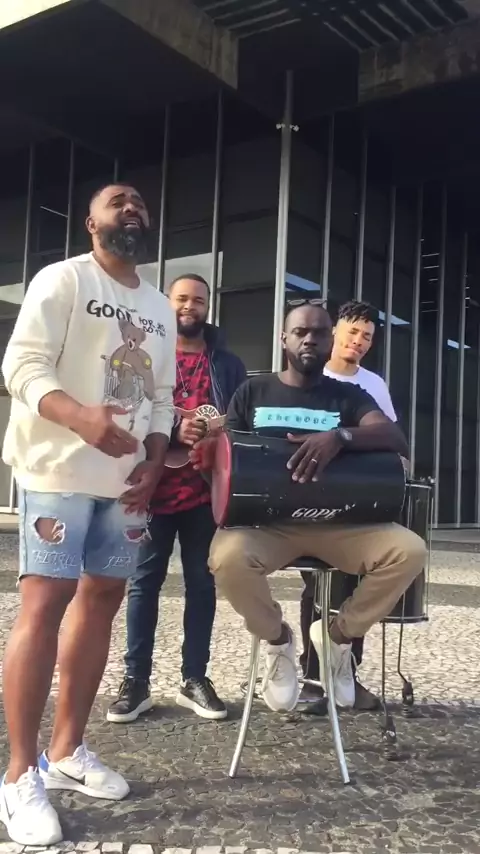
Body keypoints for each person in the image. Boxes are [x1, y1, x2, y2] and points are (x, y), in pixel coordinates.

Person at [0, 183, 176, 846]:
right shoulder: (64, 279)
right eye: (118, 201)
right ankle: (19, 775)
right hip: (55, 470)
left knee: (102, 600)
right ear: (90, 222)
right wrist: (79, 417)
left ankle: (67, 751)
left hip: (125, 483)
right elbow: (20, 365)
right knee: (46, 601)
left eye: (140, 203)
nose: (132, 208)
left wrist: (155, 460)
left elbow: (163, 396)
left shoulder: (157, 306)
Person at [192, 302, 426, 715]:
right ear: (284, 338)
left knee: (409, 550)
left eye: (319, 333)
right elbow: (227, 457)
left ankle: (337, 638)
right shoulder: (253, 392)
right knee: (226, 558)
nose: (309, 340)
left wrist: (340, 437)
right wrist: (206, 460)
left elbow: (395, 438)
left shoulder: (349, 395)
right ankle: (278, 641)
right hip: (268, 525)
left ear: (329, 341)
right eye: (300, 332)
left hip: (338, 524)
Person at [107, 274, 246, 725]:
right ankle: (136, 681)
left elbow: (244, 421)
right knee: (143, 584)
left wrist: (220, 437)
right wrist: (171, 431)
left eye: (198, 300)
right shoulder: (147, 354)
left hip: (206, 492)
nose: (190, 306)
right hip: (152, 488)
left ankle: (195, 678)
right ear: (168, 303)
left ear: (208, 306)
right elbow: (127, 412)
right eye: (182, 299)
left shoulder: (227, 364)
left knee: (202, 585)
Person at [300, 299, 398, 710]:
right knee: (317, 586)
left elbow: (390, 439)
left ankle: (346, 677)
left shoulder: (374, 385)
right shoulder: (311, 374)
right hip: (311, 498)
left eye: (367, 337)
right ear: (335, 332)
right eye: (353, 332)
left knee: (355, 585)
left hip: (357, 499)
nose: (359, 341)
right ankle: (311, 680)